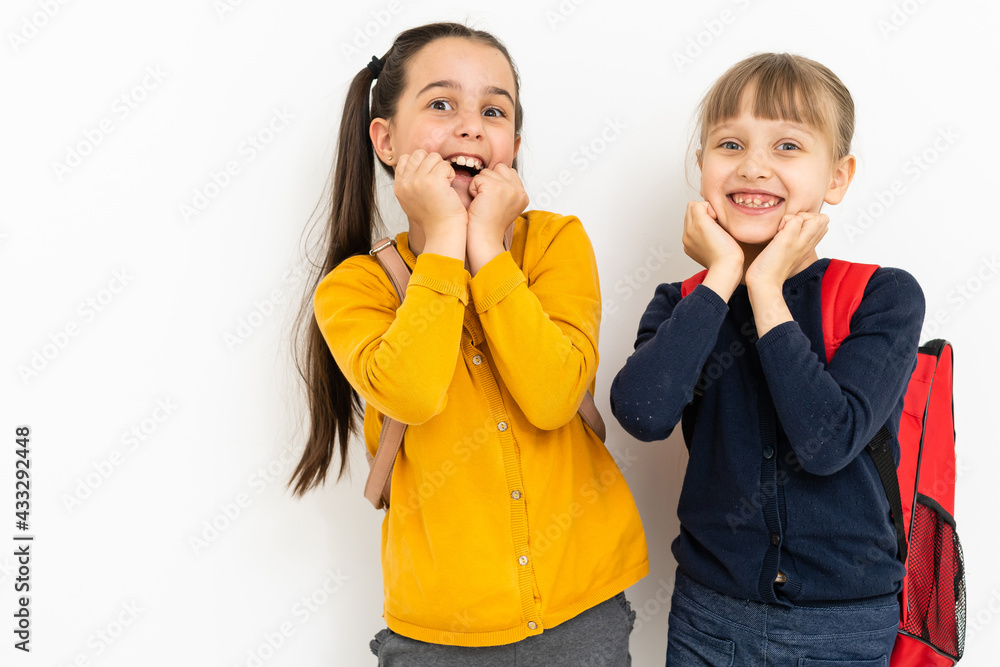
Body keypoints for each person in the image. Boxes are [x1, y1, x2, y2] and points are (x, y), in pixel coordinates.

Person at [288, 22, 648, 666]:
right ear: (386, 139)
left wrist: (487, 243)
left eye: (493, 110)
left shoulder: (556, 243)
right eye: (441, 104)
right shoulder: (355, 288)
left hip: (582, 611)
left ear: (514, 142)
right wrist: (447, 237)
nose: (471, 126)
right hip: (439, 636)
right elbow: (412, 390)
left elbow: (552, 396)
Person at [609, 53, 924, 665]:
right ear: (702, 167)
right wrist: (724, 274)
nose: (754, 165)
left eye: (787, 145)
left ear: (837, 177)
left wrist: (766, 289)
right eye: (730, 143)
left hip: (844, 626)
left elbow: (827, 443)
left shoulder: (883, 296)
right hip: (708, 618)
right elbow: (642, 415)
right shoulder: (683, 302)